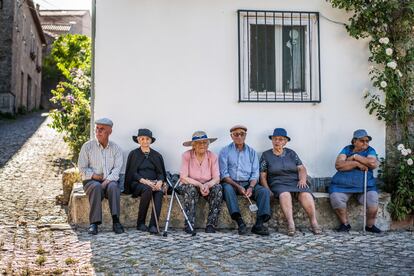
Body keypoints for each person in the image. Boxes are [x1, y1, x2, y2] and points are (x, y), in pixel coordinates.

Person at [260, 128, 321, 236]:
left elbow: (301, 168)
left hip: (295, 181)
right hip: (278, 182)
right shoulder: (266, 155)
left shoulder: (291, 153)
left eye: (280, 139)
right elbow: (263, 175)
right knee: (285, 195)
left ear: (285, 142)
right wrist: (267, 189)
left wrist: (302, 179)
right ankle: (291, 223)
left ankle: (313, 222)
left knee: (306, 194)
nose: (277, 141)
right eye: (275, 139)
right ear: (272, 140)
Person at [219, 125, 271, 235]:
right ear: (231, 136)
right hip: (231, 183)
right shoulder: (225, 151)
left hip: (248, 183)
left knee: (264, 191)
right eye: (236, 134)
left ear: (245, 136)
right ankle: (240, 222)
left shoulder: (252, 152)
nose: (239, 136)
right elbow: (224, 175)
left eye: (242, 134)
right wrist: (238, 186)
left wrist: (251, 187)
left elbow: (255, 174)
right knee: (227, 189)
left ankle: (259, 224)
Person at [78, 118, 124, 235]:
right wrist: (95, 176)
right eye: (97, 129)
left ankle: (116, 221)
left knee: (114, 187)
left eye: (102, 129)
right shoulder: (87, 147)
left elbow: (117, 169)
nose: (98, 132)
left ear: (110, 131)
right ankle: (94, 224)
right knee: (96, 187)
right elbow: (82, 168)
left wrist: (107, 180)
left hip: (109, 181)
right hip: (91, 181)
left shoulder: (116, 149)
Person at [330, 129, 381, 233]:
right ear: (354, 141)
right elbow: (339, 165)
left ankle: (370, 226)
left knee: (373, 202)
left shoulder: (370, 150)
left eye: (367, 141)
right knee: (336, 198)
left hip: (366, 185)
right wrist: (356, 164)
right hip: (342, 185)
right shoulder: (346, 149)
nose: (365, 143)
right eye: (362, 140)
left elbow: (372, 163)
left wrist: (355, 157)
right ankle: (345, 224)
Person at [124, 129, 166, 234]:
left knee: (159, 192)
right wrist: (146, 182)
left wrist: (160, 182)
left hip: (155, 182)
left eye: (147, 139)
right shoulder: (133, 154)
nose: (145, 141)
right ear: (138, 140)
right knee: (147, 190)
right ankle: (140, 223)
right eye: (142, 139)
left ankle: (153, 225)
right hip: (138, 183)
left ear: (151, 141)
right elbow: (132, 172)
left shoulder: (157, 155)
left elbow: (161, 172)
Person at [180, 131, 223, 233]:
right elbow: (183, 177)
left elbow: (217, 178)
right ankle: (189, 224)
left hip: (207, 185)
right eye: (199, 143)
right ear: (193, 145)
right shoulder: (186, 156)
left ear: (208, 145)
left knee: (218, 189)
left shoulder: (212, 156)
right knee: (190, 189)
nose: (202, 145)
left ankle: (211, 224)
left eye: (204, 143)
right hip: (191, 185)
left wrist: (207, 185)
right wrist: (199, 185)